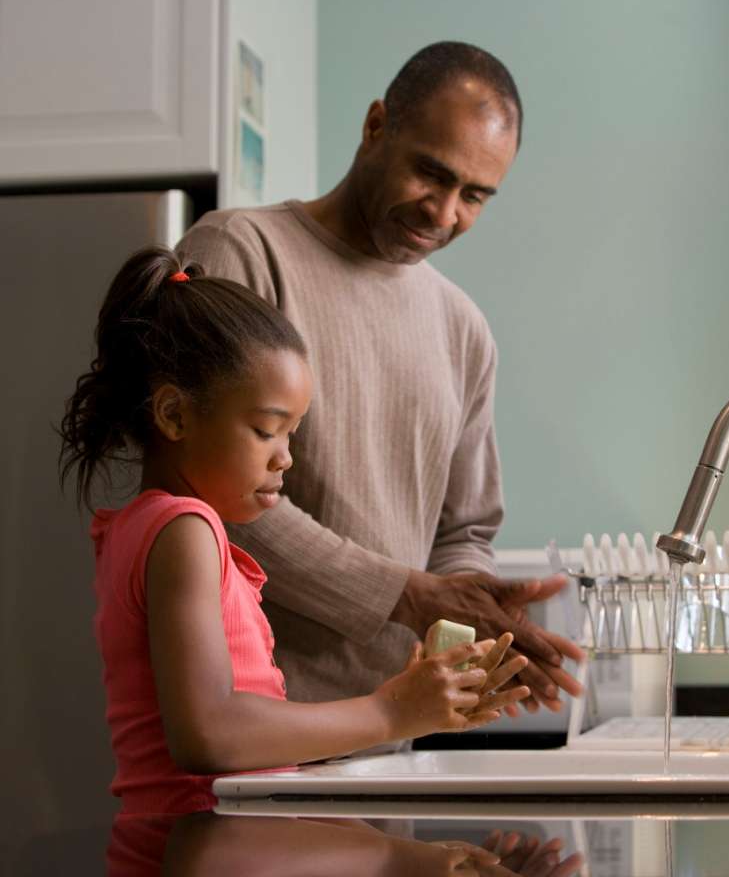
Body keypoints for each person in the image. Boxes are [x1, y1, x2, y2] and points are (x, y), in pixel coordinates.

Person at [176, 41, 584, 714]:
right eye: (431, 172)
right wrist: (408, 596)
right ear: (375, 127)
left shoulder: (463, 329)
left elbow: (464, 532)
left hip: (390, 732)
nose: (444, 212)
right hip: (248, 725)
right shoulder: (239, 253)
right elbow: (207, 491)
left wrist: (473, 614)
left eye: (475, 196)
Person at [58, 246, 530, 815]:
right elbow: (210, 733)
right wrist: (390, 712)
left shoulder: (147, 527)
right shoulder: (185, 530)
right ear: (175, 416)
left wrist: (409, 703)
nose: (286, 459)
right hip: (194, 850)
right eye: (266, 431)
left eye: (292, 434)